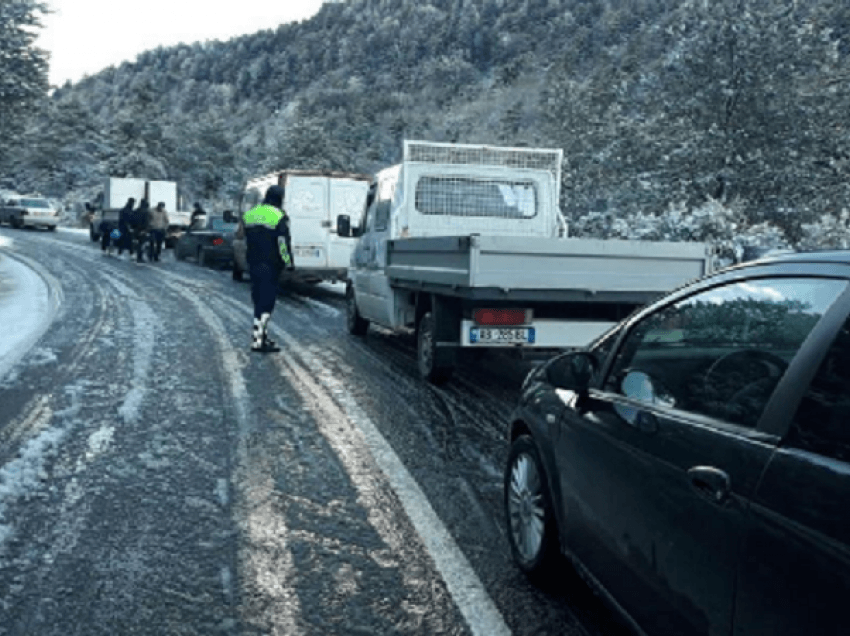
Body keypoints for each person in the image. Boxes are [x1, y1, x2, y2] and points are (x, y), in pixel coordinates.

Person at [243, 185, 294, 353]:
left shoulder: (251, 214)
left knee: (258, 301)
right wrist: (288, 262)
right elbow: (282, 244)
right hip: (270, 265)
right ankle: (257, 341)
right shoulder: (278, 216)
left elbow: (245, 238)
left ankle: (261, 336)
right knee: (266, 303)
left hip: (253, 263)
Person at [130, 199, 151, 263]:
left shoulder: (135, 211)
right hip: (142, 230)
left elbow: (132, 220)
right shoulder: (146, 212)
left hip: (136, 229)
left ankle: (136, 255)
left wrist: (133, 228)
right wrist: (146, 230)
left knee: (137, 243)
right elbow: (146, 222)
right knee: (142, 244)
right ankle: (140, 257)